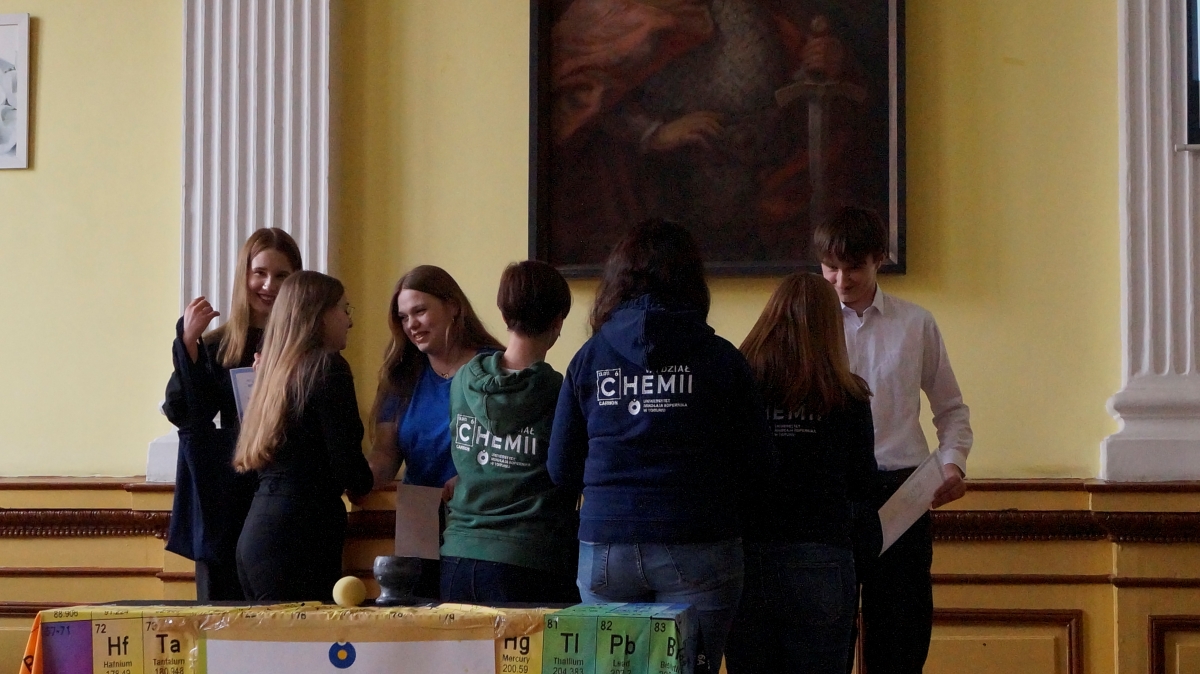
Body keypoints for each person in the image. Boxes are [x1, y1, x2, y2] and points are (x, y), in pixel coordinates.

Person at [548, 219, 772, 672]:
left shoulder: (588, 359)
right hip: (698, 539)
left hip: (606, 543)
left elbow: (560, 468)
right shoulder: (722, 359)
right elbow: (759, 465)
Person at [815, 206, 972, 674]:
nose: (841, 280)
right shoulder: (809, 327)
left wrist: (953, 463)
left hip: (903, 491)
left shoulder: (916, 323)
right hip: (831, 493)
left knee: (900, 643)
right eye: (830, 268)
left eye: (853, 268)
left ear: (878, 260)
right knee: (827, 641)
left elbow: (951, 409)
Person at [725, 272, 878, 674]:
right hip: (822, 557)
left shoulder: (740, 387)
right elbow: (863, 486)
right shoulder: (849, 395)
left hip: (748, 556)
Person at [163, 227, 302, 600]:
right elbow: (185, 413)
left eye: (282, 276)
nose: (269, 285)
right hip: (227, 497)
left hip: (284, 498)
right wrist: (188, 345)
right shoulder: (217, 345)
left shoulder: (306, 348)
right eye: (260, 273)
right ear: (244, 276)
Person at [440, 260, 581, 604]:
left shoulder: (462, 381)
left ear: (504, 314)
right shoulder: (559, 393)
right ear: (558, 322)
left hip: (457, 556)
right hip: (529, 558)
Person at [233, 271, 373, 601]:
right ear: (319, 314)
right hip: (299, 539)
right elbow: (348, 467)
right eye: (344, 309)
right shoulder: (328, 367)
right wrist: (370, 478)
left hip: (258, 533)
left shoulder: (275, 373)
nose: (349, 321)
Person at [367, 265, 504, 599]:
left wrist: (472, 477)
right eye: (403, 317)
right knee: (419, 611)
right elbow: (384, 454)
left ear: (453, 306)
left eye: (420, 311)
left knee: (468, 609)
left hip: (477, 512)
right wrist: (358, 477)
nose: (411, 324)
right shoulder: (401, 376)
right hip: (418, 511)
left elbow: (513, 447)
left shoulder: (494, 367)